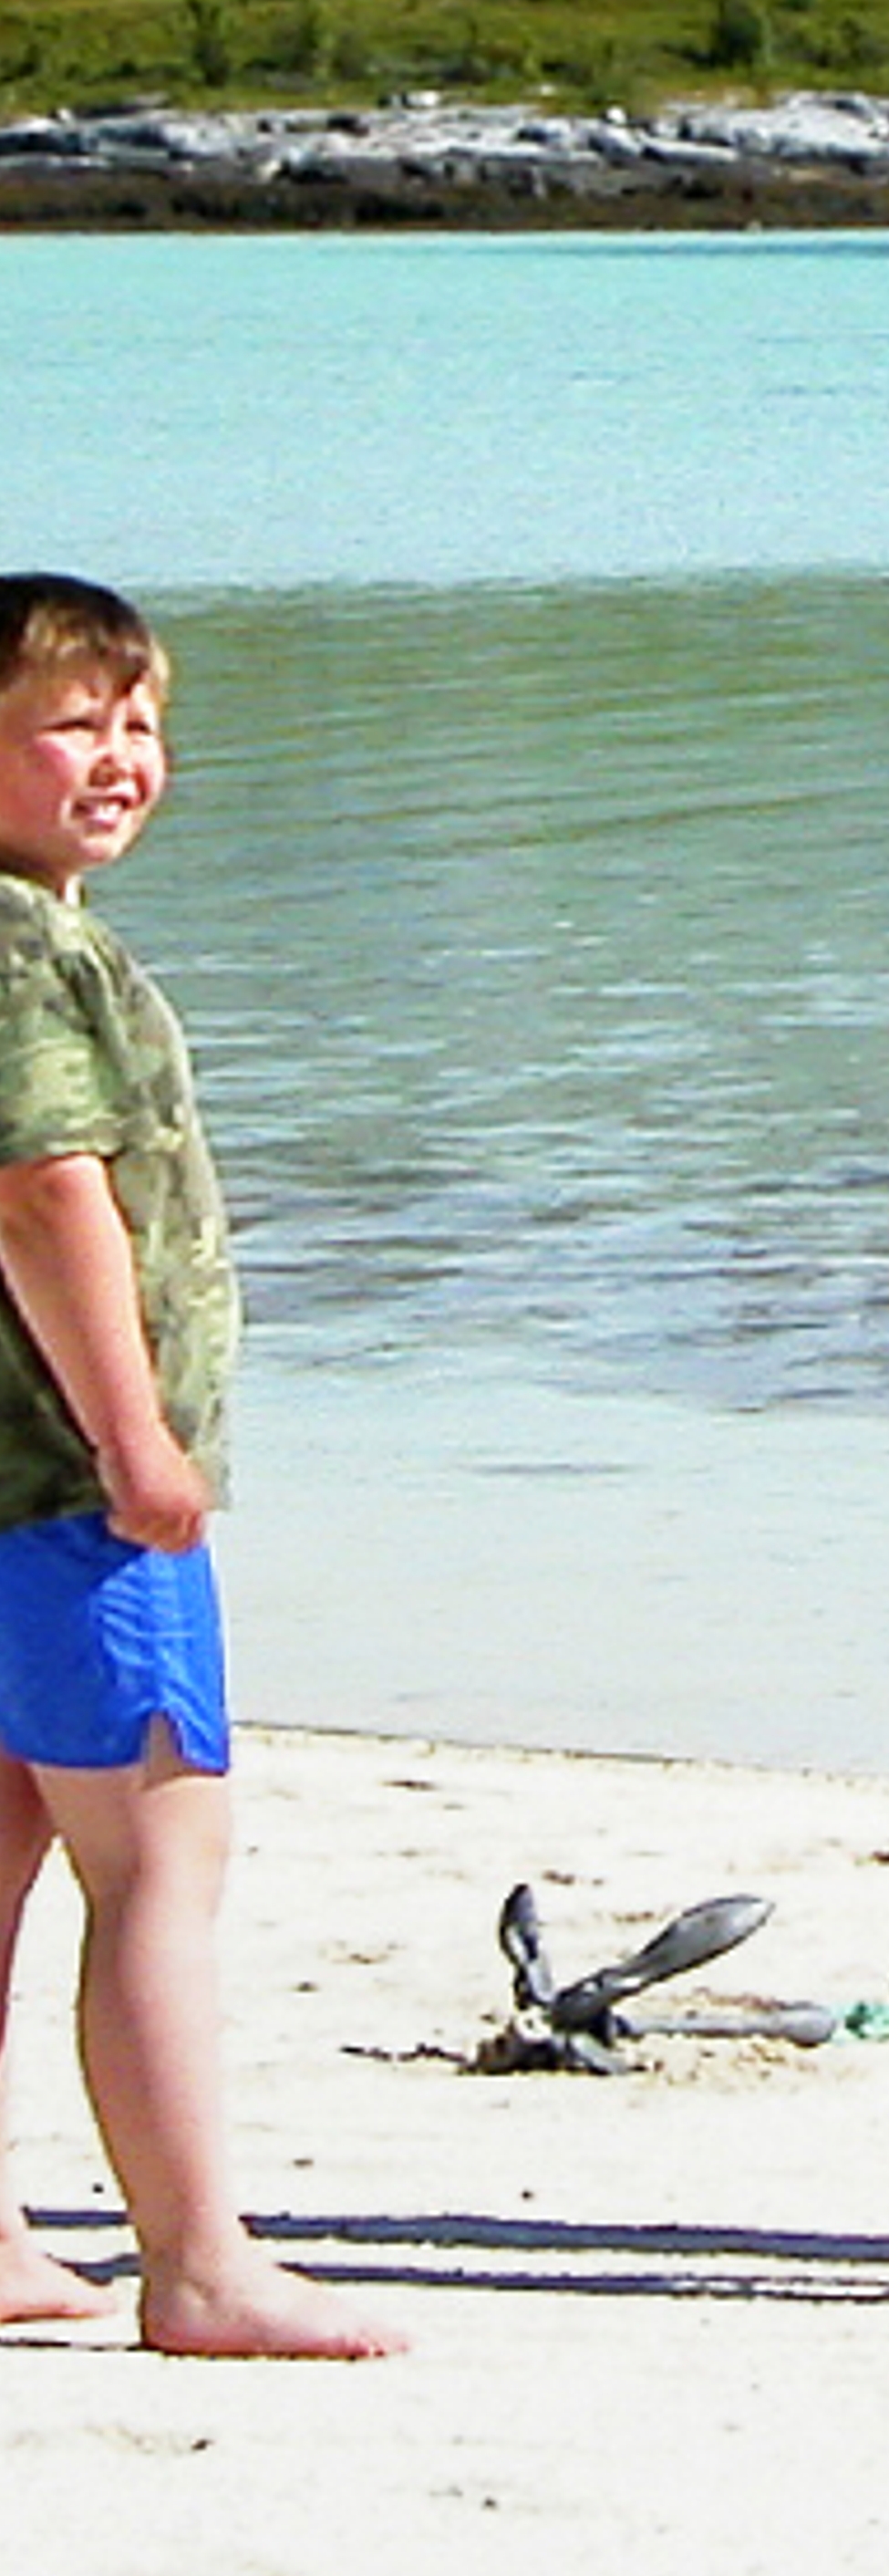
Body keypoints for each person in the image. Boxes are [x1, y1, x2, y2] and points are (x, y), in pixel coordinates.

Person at [0, 573, 394, 2357]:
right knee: (163, 1847)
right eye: (74, 720)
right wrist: (134, 1432)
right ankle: (196, 2257)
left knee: (12, 1837)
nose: (123, 754)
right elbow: (43, 1186)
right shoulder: (20, 949)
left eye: (140, 719)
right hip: (62, 1491)